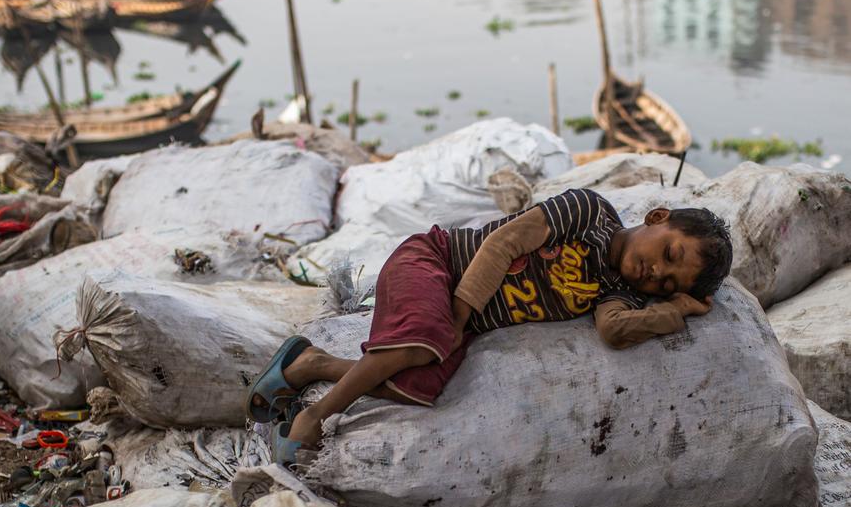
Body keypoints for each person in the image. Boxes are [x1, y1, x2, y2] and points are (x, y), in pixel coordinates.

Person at [246, 188, 733, 466]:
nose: (656, 272)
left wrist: (677, 311)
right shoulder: (589, 212)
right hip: (434, 262)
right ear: (657, 217)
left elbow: (615, 331)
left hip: (458, 322)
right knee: (427, 343)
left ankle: (310, 363)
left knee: (415, 390)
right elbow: (504, 242)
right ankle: (313, 420)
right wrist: (457, 319)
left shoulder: (620, 293)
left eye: (668, 281)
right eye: (668, 254)